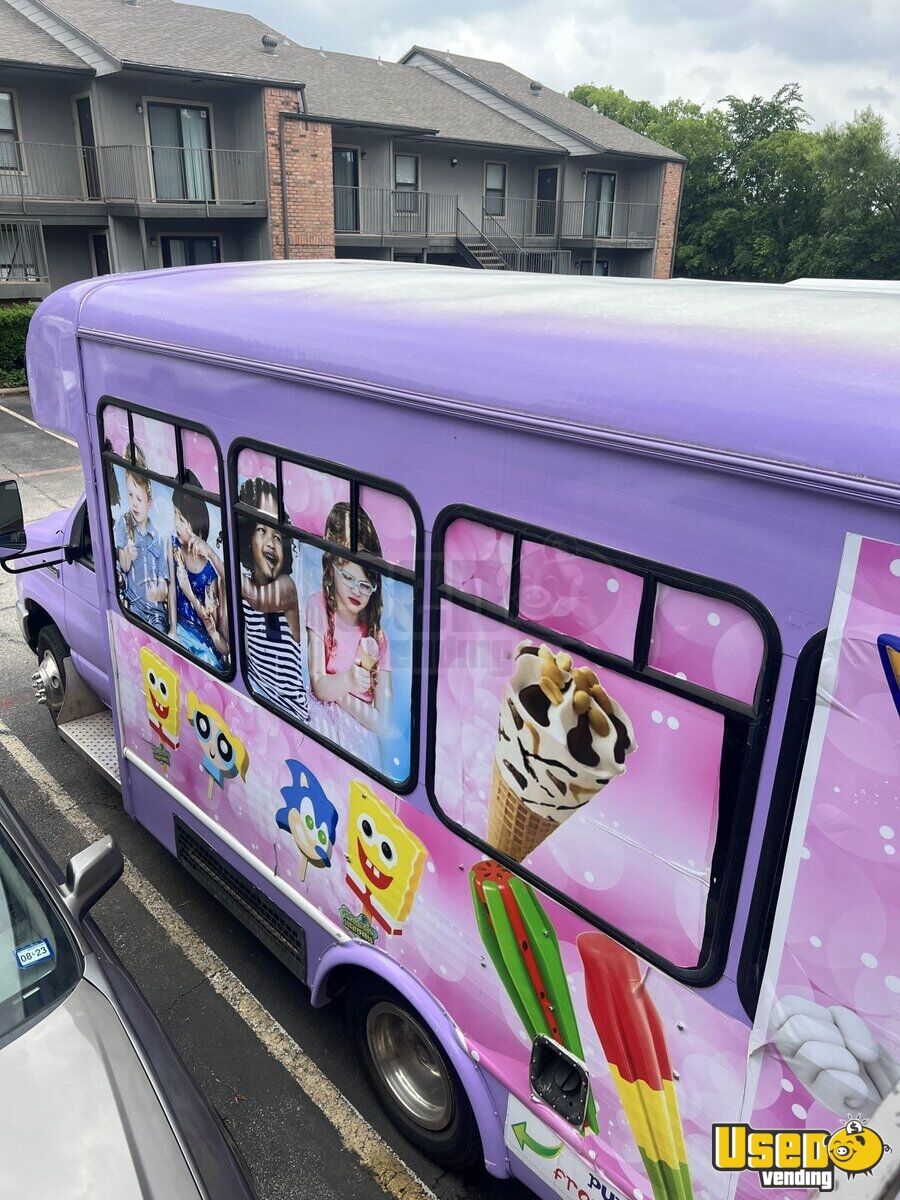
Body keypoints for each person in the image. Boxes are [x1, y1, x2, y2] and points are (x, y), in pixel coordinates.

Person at [306, 502, 392, 766]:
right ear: (332, 568)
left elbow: (383, 723)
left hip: (360, 737)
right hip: (323, 721)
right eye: (348, 578)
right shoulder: (318, 607)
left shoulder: (378, 638)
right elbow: (318, 686)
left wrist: (341, 691)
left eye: (366, 585)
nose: (357, 590)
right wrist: (350, 682)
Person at [237, 477, 308, 721]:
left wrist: (216, 558)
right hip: (257, 697)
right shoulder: (244, 587)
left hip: (291, 712)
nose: (271, 543)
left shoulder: (287, 587)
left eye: (278, 536)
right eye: (262, 530)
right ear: (247, 537)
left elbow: (257, 599)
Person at [167, 472, 229, 670]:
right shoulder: (173, 546)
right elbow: (171, 590)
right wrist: (172, 629)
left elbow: (222, 644)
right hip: (180, 632)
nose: (177, 524)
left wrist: (189, 591)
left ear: (198, 529)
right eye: (175, 515)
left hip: (204, 647)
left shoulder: (211, 575)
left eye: (182, 519)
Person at [113, 443, 168, 633]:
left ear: (150, 502)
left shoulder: (158, 537)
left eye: (139, 499)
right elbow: (123, 567)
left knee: (158, 632)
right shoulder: (123, 523)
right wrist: (127, 552)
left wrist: (158, 593)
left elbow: (164, 583)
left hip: (155, 613)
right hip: (132, 608)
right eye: (130, 495)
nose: (134, 503)